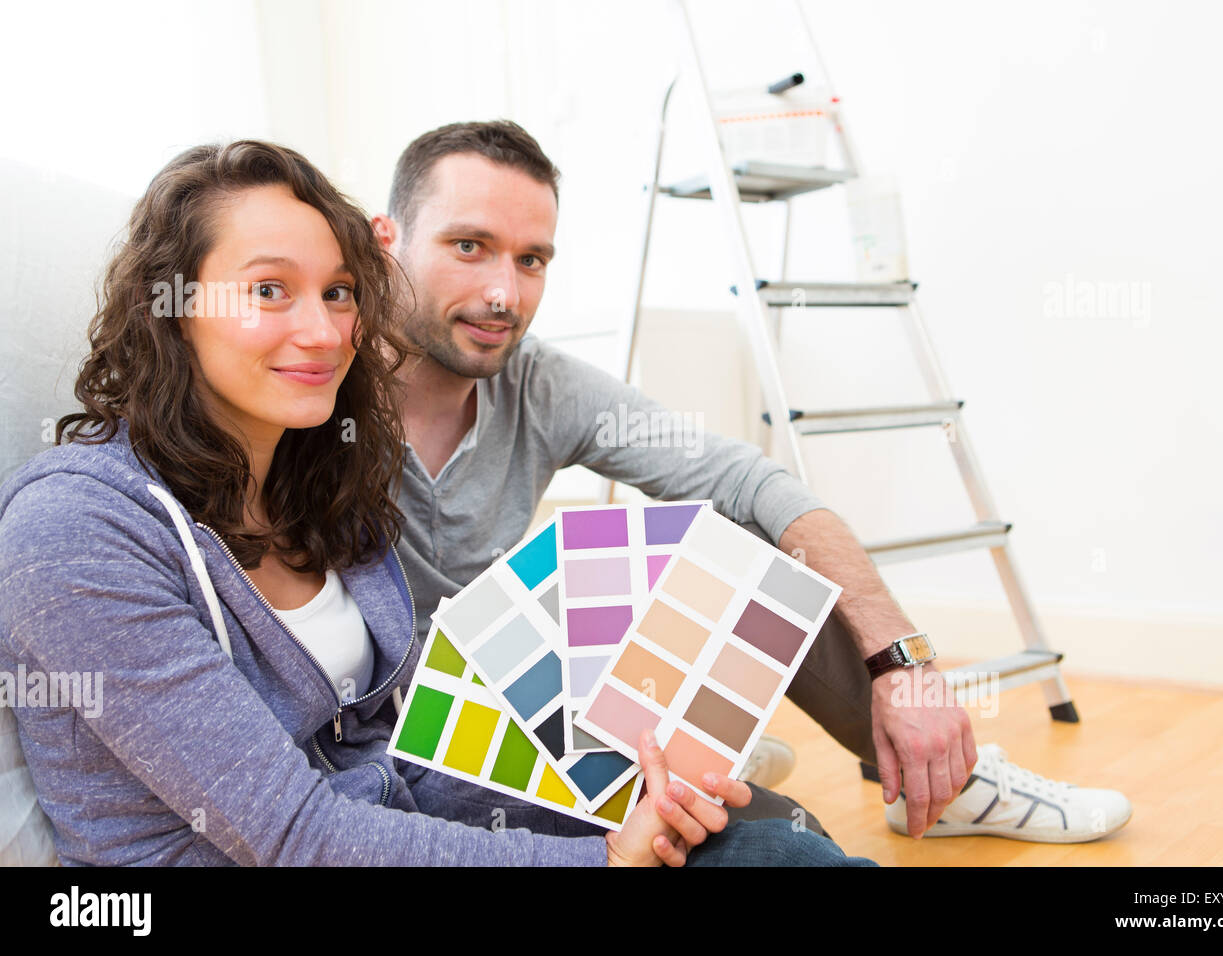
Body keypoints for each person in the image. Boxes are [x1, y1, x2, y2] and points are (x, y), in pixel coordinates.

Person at [0, 139, 867, 866]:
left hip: (397, 824)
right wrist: (601, 856)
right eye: (270, 291)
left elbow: (395, 739)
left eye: (338, 292)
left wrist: (624, 781)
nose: (322, 330)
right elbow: (295, 835)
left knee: (769, 834)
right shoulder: (76, 532)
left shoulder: (322, 482)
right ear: (175, 309)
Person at [372, 120, 1133, 845]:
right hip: (416, 738)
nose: (506, 293)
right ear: (387, 242)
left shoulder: (543, 386)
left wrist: (909, 670)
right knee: (778, 839)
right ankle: (711, 766)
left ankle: (941, 776)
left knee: (745, 532)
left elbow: (749, 482)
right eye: (468, 246)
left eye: (532, 259)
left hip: (526, 687)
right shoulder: (309, 388)